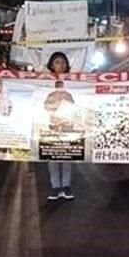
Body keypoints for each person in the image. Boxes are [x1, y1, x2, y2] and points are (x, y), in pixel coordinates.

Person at [45, 51, 76, 201]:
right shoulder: (45, 83)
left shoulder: (72, 83)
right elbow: (45, 105)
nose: (61, 65)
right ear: (51, 65)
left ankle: (66, 186)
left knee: (67, 156)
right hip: (52, 126)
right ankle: (55, 186)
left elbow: (73, 105)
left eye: (63, 62)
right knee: (53, 156)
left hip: (67, 126)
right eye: (57, 62)